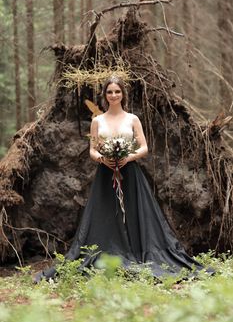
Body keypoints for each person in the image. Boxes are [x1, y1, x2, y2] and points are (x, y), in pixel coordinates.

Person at [34, 76, 213, 283]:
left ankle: (138, 252)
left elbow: (144, 147)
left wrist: (128, 156)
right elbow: (92, 150)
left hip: (130, 173)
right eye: (109, 92)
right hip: (105, 174)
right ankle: (110, 254)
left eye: (117, 91)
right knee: (106, 215)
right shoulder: (97, 121)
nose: (113, 95)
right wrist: (103, 158)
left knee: (135, 213)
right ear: (105, 95)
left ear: (123, 94)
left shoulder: (132, 119)